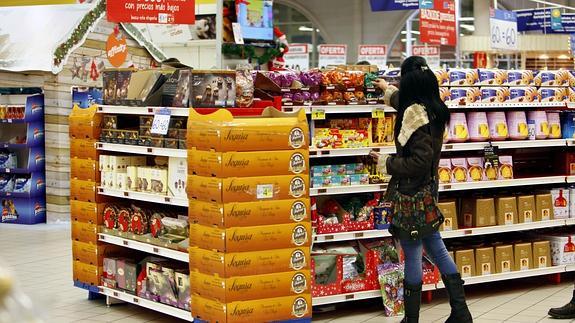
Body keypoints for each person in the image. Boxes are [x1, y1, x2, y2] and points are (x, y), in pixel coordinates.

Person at [371, 56, 473, 323]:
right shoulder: (432, 108)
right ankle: (461, 312)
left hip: (412, 194)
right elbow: (403, 103)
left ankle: (412, 319)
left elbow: (418, 162)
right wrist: (386, 89)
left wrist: (386, 162)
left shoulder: (414, 115)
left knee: (413, 253)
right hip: (427, 190)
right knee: (436, 247)